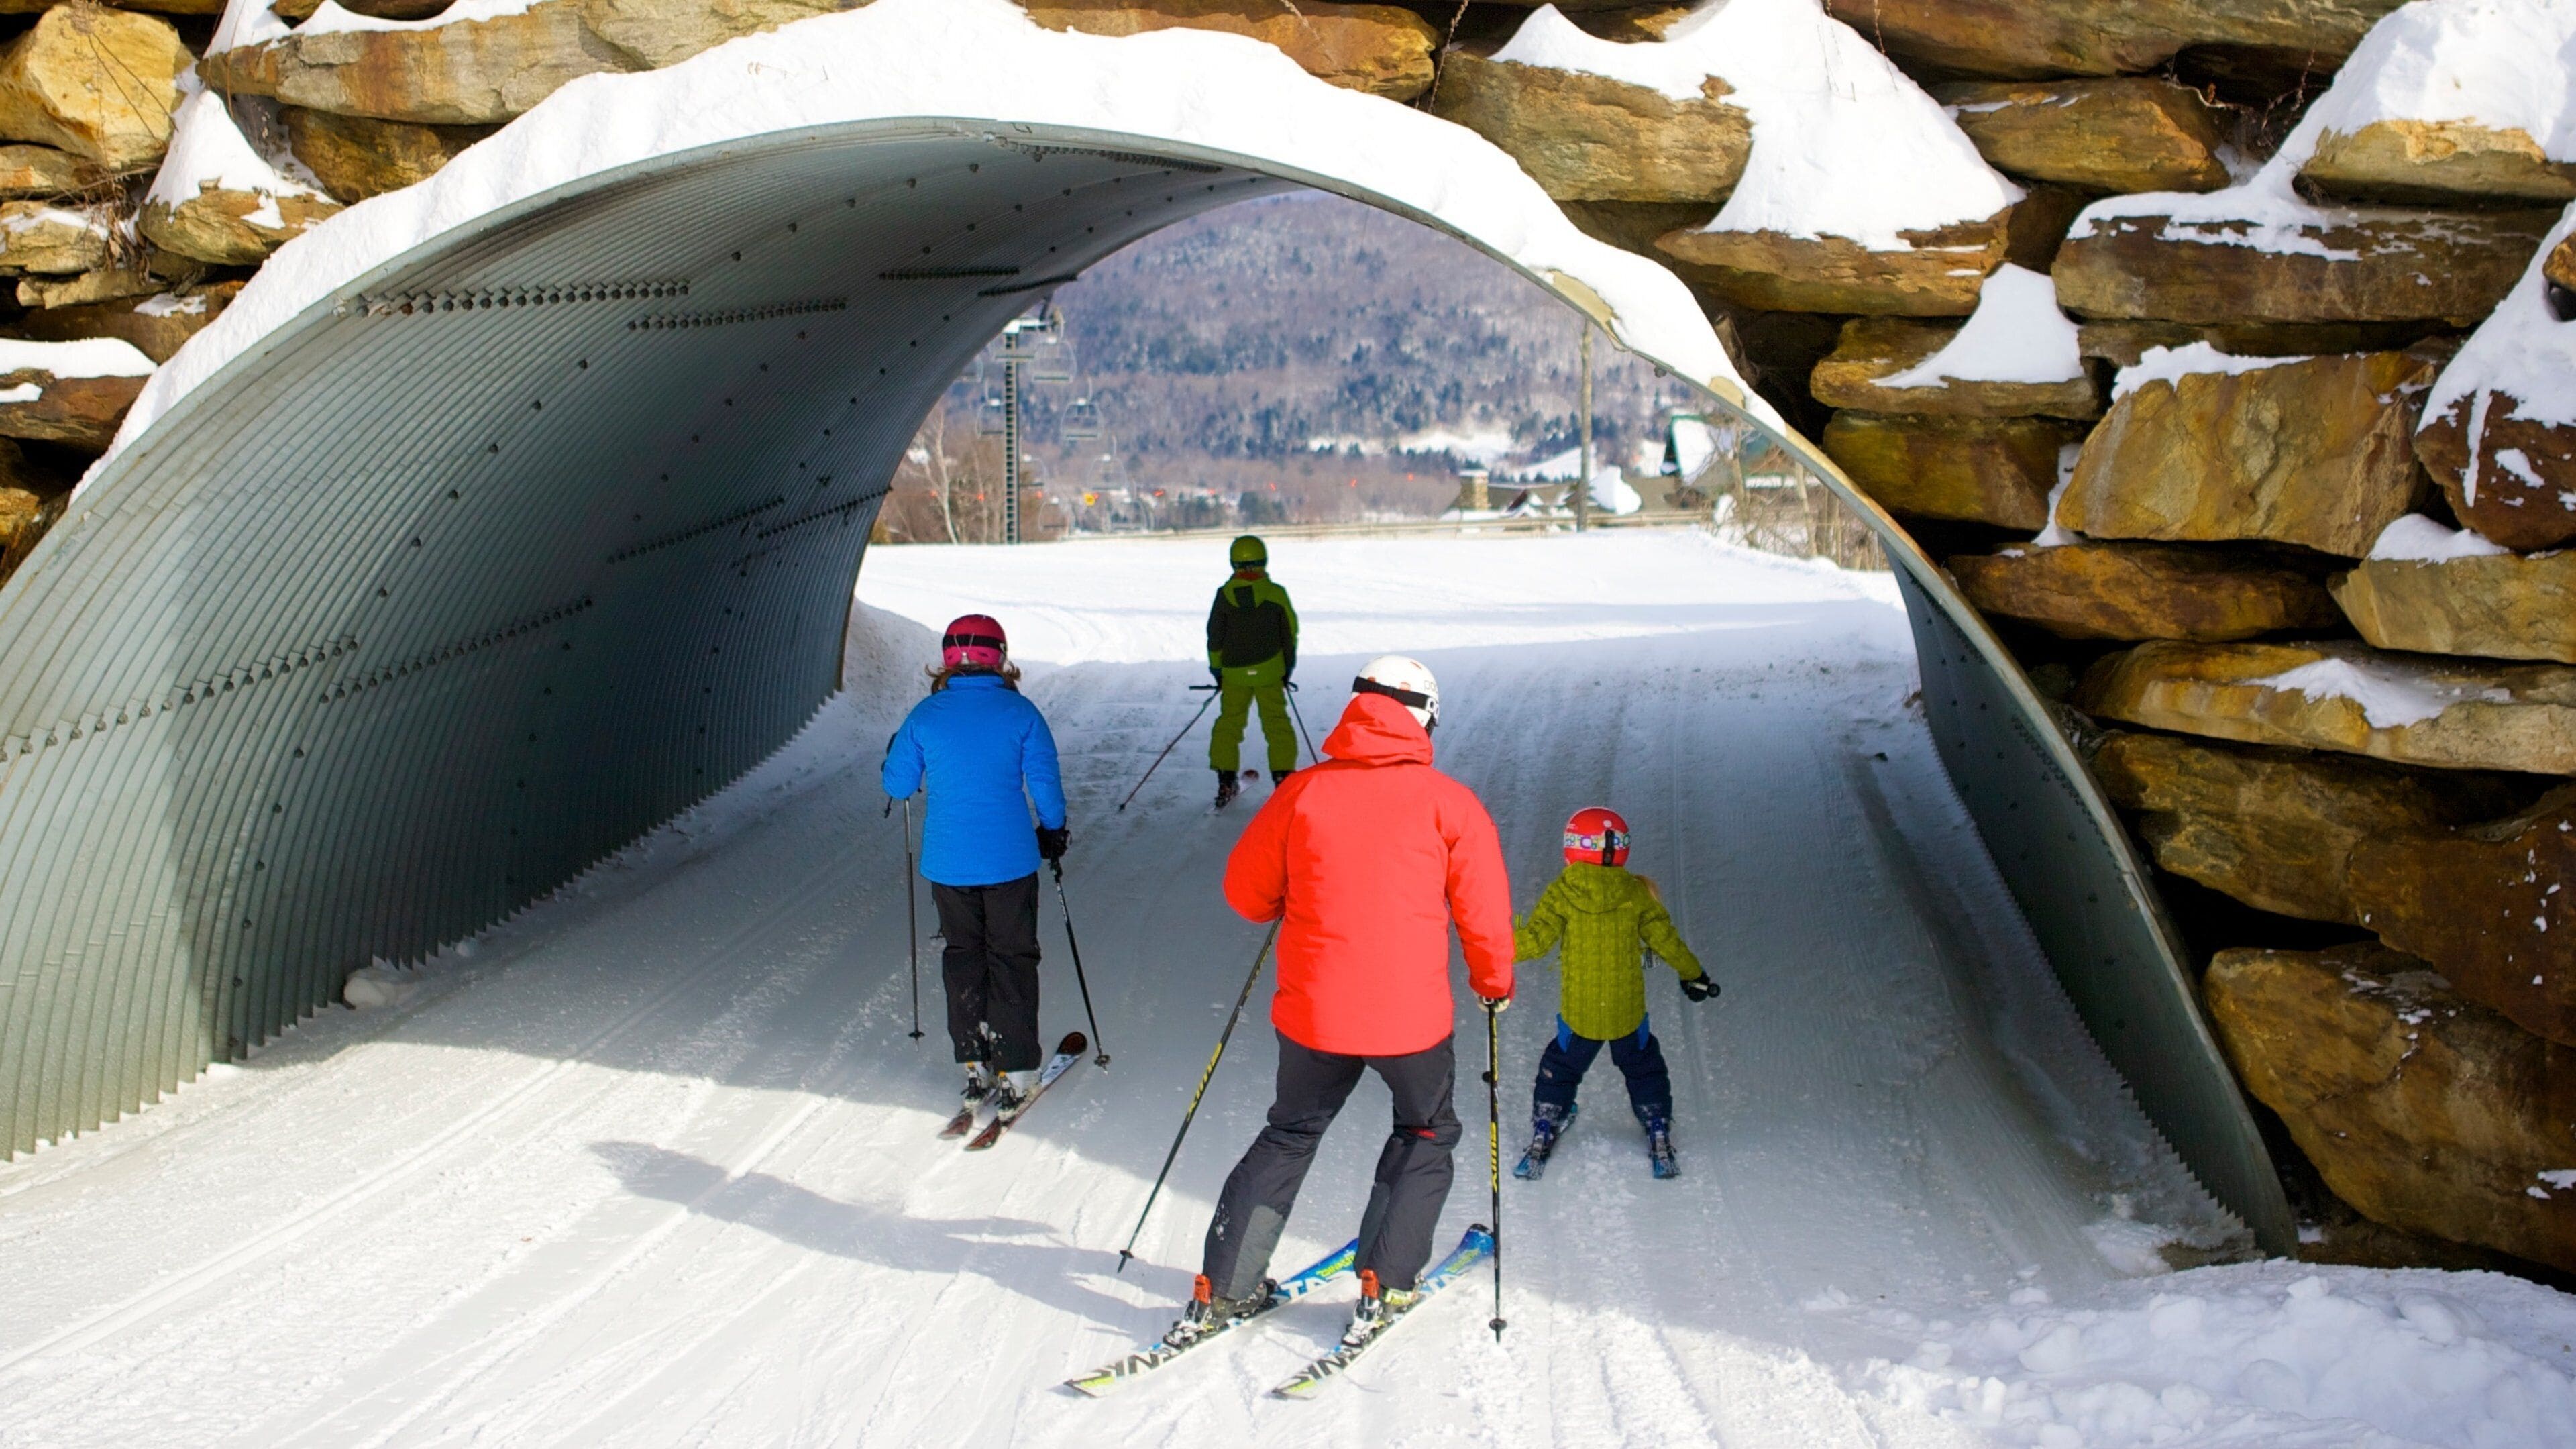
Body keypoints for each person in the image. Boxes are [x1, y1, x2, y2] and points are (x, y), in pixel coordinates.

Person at [1173, 654, 1514, 1347]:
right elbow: (1484, 918)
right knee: (1425, 1131)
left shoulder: (1303, 792)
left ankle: (1225, 1289)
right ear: (1423, 719)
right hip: (1410, 1022)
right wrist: (1493, 985)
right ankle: (1383, 1283)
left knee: (1292, 1131)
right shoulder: (1450, 804)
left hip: (1314, 1015)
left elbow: (1246, 894)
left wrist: (1290, 895)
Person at [881, 614, 1069, 1124]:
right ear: (1001, 657)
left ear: (945, 660)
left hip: (948, 863)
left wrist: (896, 754)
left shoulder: (925, 716)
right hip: (1010, 860)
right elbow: (1046, 787)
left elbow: (897, 786)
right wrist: (1054, 831)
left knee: (964, 955)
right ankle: (1017, 1068)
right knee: (1011, 956)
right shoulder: (1022, 713)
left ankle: (973, 1060)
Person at [1511, 806, 1717, 1181]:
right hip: (1626, 1014)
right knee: (1644, 1066)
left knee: (1560, 1066)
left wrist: (1492, 943)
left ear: (1572, 848)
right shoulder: (1637, 893)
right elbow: (1666, 941)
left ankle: (1545, 1125)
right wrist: (1695, 975)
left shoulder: (1563, 891)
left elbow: (1535, 942)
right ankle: (1657, 1127)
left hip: (1581, 1015)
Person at [1205, 534, 1299, 810]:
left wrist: (1217, 672)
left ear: (1234, 561)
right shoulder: (1276, 594)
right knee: (1277, 724)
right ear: (1263, 559)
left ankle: (1225, 780)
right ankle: (1283, 780)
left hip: (1234, 673)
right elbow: (1289, 635)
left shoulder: (1223, 596)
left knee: (1229, 724)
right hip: (1271, 671)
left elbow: (1214, 638)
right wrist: (1286, 671)